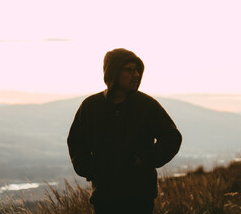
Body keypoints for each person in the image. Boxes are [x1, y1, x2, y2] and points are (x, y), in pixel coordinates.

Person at [67, 48, 182, 214]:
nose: (136, 74)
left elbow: (172, 137)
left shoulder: (147, 105)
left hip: (140, 196)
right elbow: (76, 143)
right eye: (130, 70)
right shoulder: (91, 107)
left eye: (137, 70)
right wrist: (92, 169)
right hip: (105, 196)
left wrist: (144, 160)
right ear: (114, 72)